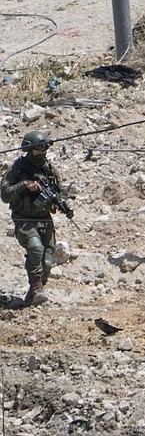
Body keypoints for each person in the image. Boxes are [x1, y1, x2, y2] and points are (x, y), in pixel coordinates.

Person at [1, 131, 65, 306]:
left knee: (47, 261)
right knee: (35, 248)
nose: (41, 154)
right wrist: (24, 185)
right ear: (29, 150)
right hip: (24, 219)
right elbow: (5, 194)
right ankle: (37, 288)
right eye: (37, 151)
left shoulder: (49, 169)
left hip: (44, 219)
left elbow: (61, 190)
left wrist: (58, 201)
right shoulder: (18, 168)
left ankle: (34, 292)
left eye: (44, 150)